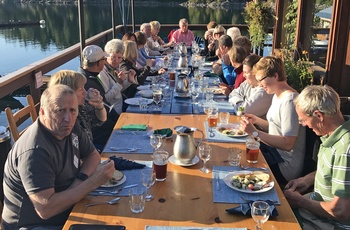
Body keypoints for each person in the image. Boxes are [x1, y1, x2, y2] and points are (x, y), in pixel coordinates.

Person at [1, 84, 115, 229]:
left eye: (72, 110)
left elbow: (92, 155)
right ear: (42, 112)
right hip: (37, 224)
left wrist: (79, 181)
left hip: (67, 207)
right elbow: (46, 209)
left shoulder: (70, 127)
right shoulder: (35, 151)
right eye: (60, 111)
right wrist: (92, 182)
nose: (68, 118)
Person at [284, 85, 350, 230]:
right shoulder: (335, 132)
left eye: (303, 120)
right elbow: (338, 174)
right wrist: (306, 180)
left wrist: (300, 202)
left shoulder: (345, 149)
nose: (304, 125)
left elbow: (341, 210)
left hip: (331, 223)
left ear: (319, 115)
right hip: (316, 209)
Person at [240, 56, 306, 185]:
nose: (259, 84)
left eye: (261, 80)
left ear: (275, 76)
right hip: (273, 152)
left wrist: (255, 133)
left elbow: (288, 143)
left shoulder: (290, 101)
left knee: (243, 164)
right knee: (240, 153)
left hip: (285, 164)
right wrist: (257, 121)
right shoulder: (277, 95)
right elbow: (277, 127)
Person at [79, 45, 119, 150]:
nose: (105, 61)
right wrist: (118, 124)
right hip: (99, 136)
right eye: (103, 59)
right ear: (98, 63)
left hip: (102, 126)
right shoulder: (86, 83)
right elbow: (103, 111)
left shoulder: (89, 76)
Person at [48, 70, 107, 143]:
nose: (85, 92)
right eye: (80, 89)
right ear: (67, 93)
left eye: (84, 88)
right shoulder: (61, 120)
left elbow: (100, 120)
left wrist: (99, 106)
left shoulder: (80, 107)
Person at [99, 39, 136, 114]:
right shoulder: (102, 72)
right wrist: (119, 83)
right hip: (113, 114)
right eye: (113, 57)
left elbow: (119, 90)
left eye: (119, 58)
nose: (116, 61)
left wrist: (129, 81)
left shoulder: (114, 67)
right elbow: (106, 99)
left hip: (121, 108)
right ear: (106, 54)